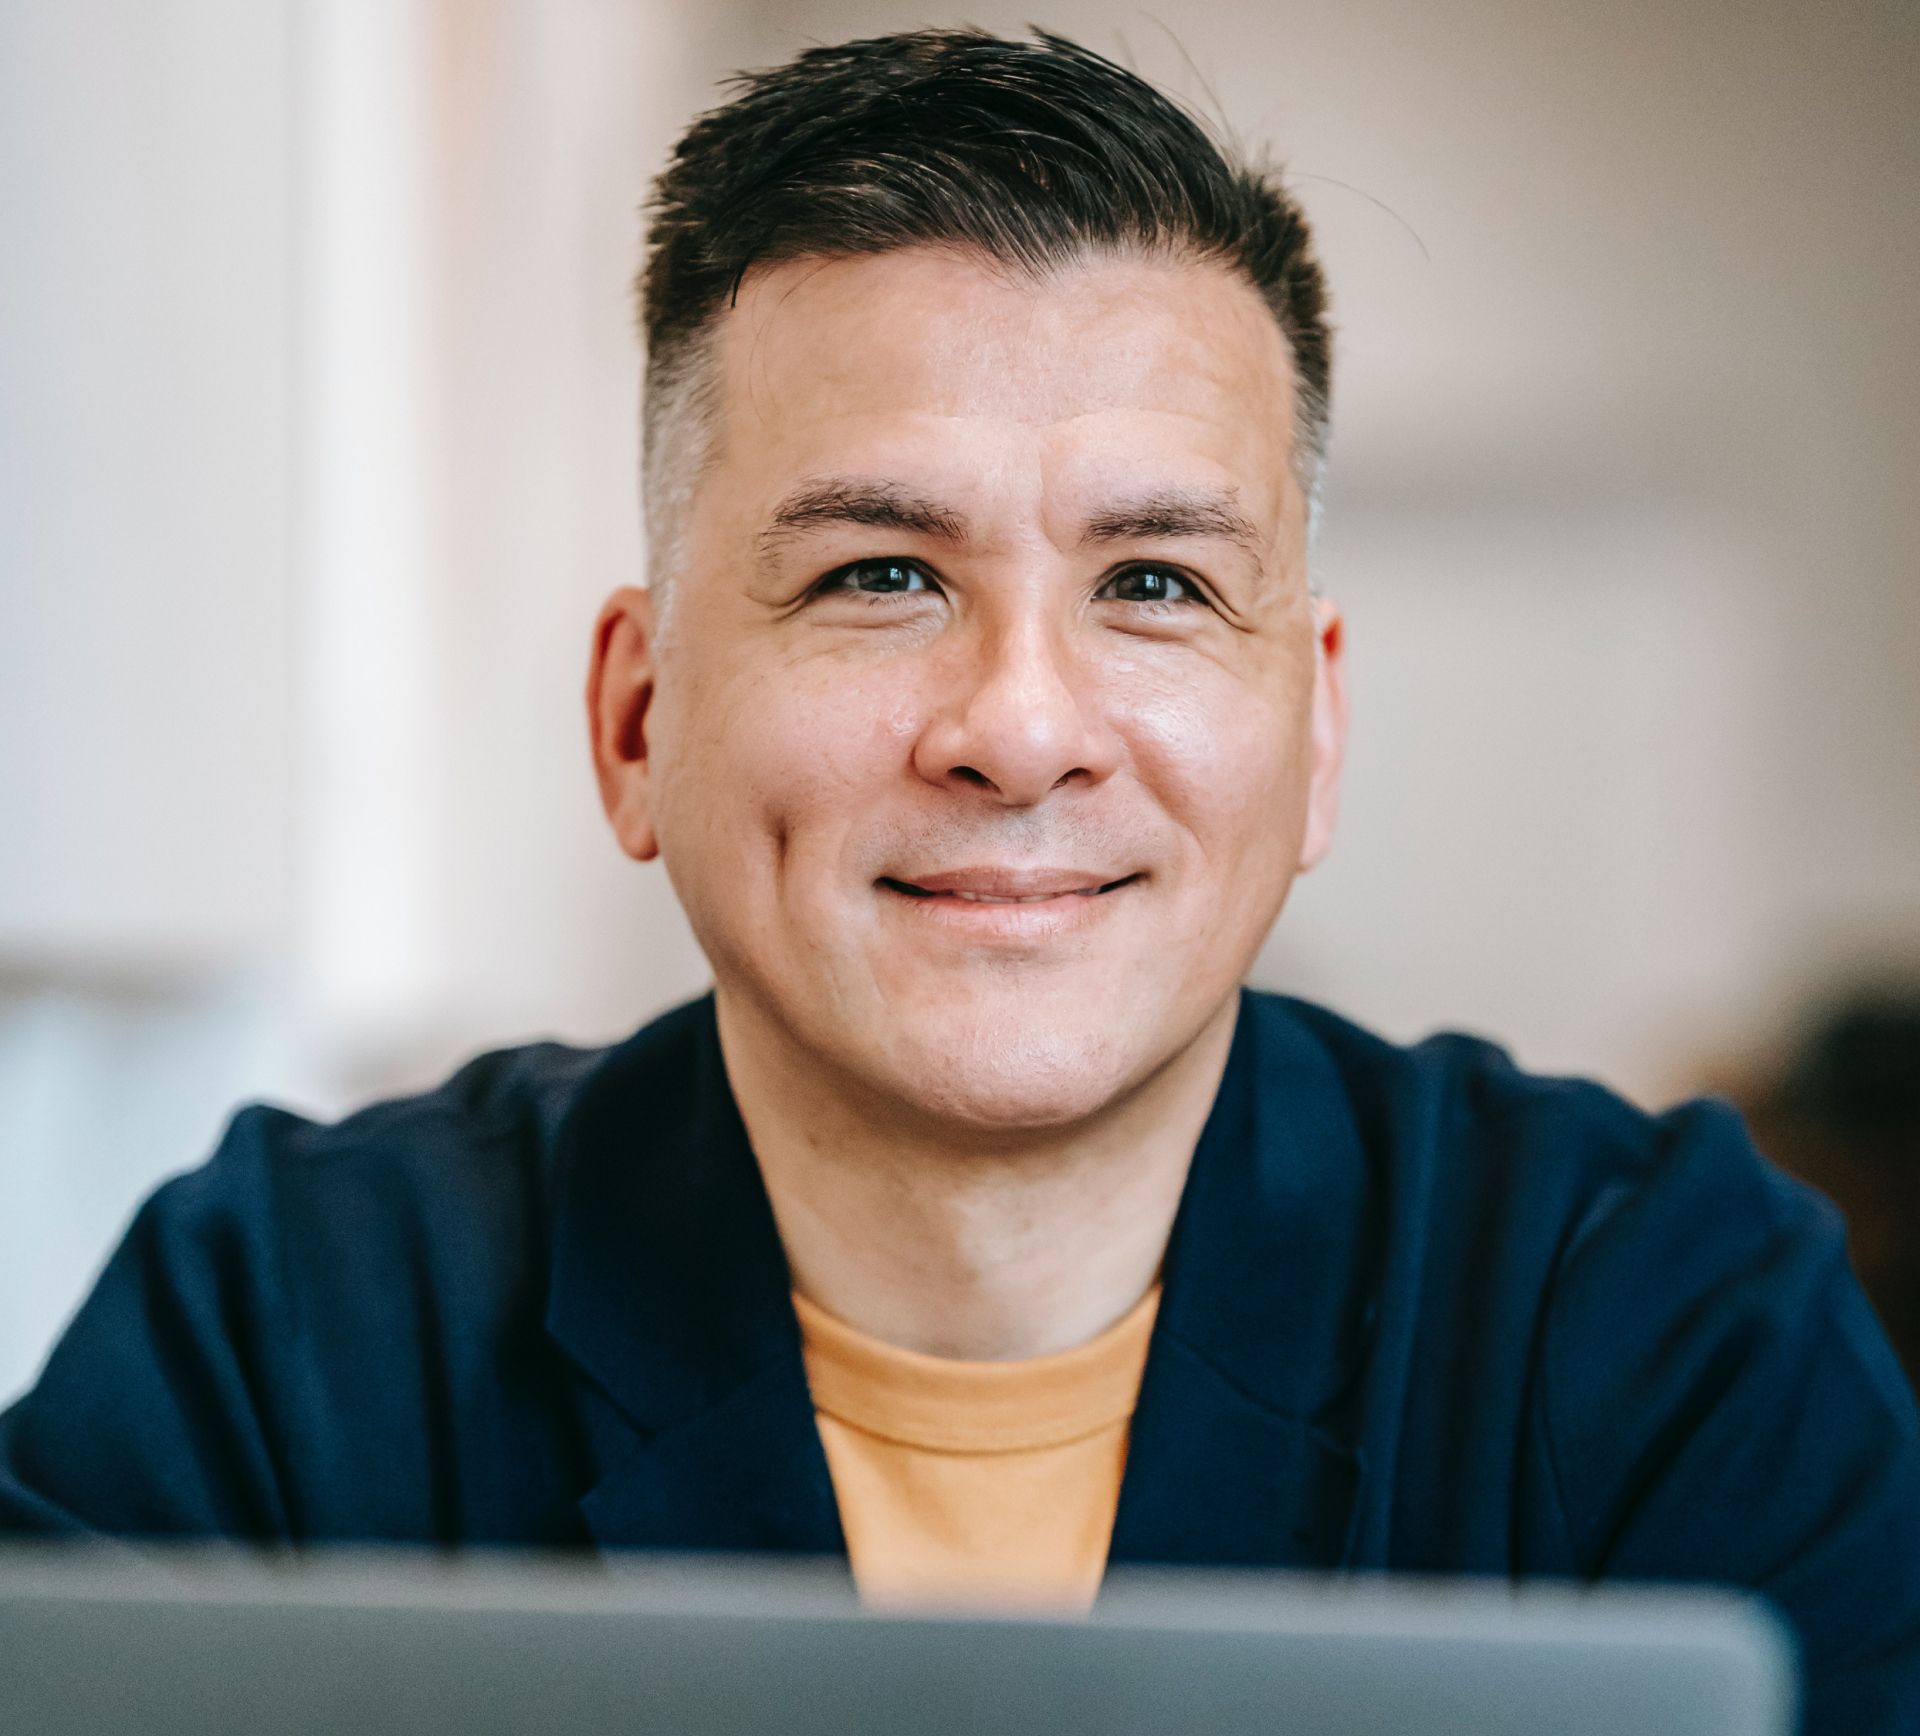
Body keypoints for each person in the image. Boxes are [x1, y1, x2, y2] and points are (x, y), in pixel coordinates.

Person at [2, 27, 1915, 1732]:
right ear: (636, 722)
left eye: (1154, 583)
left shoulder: (1671, 1325)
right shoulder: (278, 1332)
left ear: (1313, 732)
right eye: (879, 574)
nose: (1019, 727)